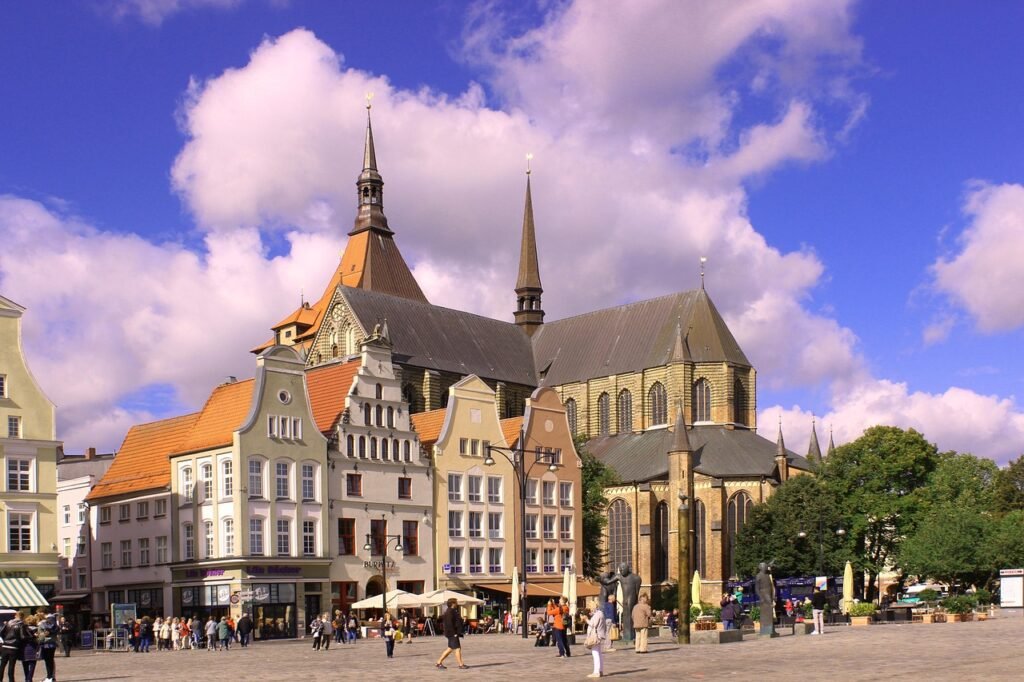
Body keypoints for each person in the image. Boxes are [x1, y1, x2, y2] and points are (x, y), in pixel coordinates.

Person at [435, 598, 468, 670]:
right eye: (456, 602)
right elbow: (449, 624)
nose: (457, 604)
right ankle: (461, 664)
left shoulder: (452, 611)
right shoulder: (450, 612)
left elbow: (455, 621)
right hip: (452, 633)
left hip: (452, 633)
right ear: (453, 603)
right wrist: (454, 633)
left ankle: (438, 662)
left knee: (450, 649)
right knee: (457, 648)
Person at [1, 610, 29, 682]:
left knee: (2, 665)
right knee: (11, 666)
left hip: (5, 646)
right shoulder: (21, 624)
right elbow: (23, 637)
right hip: (14, 647)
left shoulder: (9, 623)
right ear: (22, 617)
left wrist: (5, 640)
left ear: (15, 615)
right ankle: (11, 680)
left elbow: (1, 632)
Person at [583, 606, 609, 679]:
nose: (590, 611)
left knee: (595, 653)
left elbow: (593, 624)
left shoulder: (598, 614)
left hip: (596, 635)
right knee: (598, 653)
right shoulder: (600, 613)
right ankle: (600, 670)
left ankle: (596, 672)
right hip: (599, 635)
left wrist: (586, 619)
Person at [37, 614, 59, 682]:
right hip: (53, 644)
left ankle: (49, 677)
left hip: (45, 644)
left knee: (47, 661)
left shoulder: (42, 624)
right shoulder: (56, 626)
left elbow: (41, 636)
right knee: (51, 660)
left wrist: (39, 640)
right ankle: (51, 676)